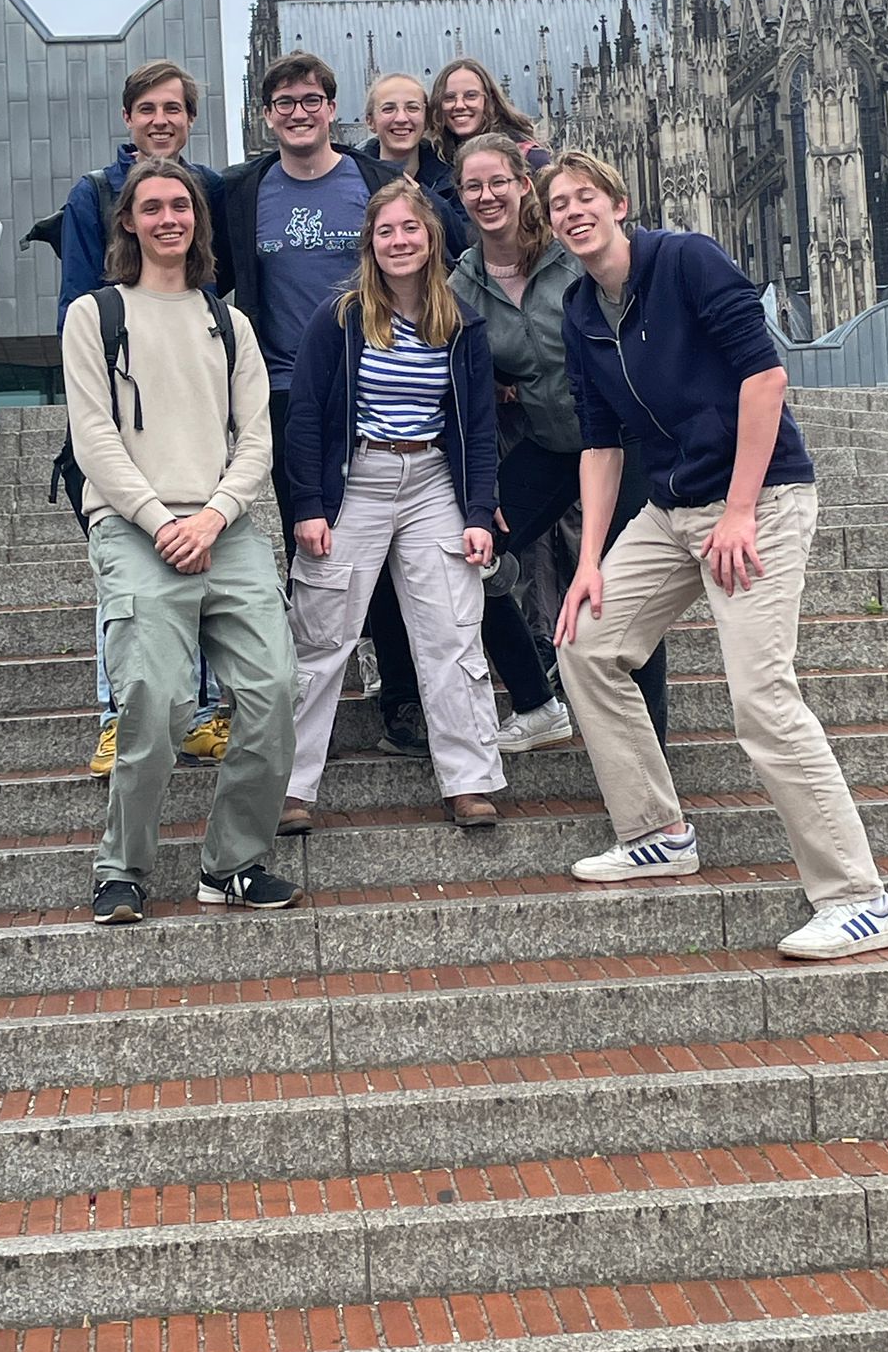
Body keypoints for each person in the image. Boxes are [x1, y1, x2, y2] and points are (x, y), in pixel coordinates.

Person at [545, 149, 888, 963]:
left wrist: (739, 510)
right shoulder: (580, 308)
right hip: (671, 509)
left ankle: (857, 898)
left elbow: (765, 379)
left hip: (760, 499)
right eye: (558, 204)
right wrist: (590, 559)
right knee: (586, 644)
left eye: (585, 196)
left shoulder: (686, 261)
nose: (572, 212)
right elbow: (600, 441)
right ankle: (656, 833)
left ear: (618, 203)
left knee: (762, 699)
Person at [61, 157, 300, 925]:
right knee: (156, 702)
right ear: (129, 222)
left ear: (198, 220)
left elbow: (256, 442)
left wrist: (214, 517)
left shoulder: (230, 325)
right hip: (135, 530)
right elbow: (94, 438)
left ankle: (233, 864)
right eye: (153, 207)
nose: (169, 218)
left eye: (181, 206)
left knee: (273, 691)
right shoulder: (95, 316)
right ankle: (122, 868)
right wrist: (162, 522)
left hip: (224, 528)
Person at [219, 51, 428, 756]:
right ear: (267, 114)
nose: (299, 113)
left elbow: (431, 263)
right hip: (287, 395)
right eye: (285, 103)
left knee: (390, 554)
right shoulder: (244, 192)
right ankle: (314, 704)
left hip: (379, 389)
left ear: (332, 109)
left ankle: (401, 698)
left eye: (312, 100)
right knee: (309, 547)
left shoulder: (376, 182)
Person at [282, 180, 507, 831]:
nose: (399, 240)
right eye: (386, 231)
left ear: (431, 238)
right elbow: (305, 417)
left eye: (411, 228)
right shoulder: (340, 318)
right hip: (357, 480)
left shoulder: (461, 322)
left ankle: (469, 781)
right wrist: (308, 505)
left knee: (451, 632)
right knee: (322, 635)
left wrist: (479, 511)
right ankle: (289, 786)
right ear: (370, 244)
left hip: (431, 479)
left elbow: (479, 427)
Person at [450, 134, 667, 754]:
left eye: (499, 182)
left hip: (621, 444)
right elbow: (466, 373)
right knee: (469, 555)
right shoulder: (463, 282)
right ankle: (536, 701)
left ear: (525, 185)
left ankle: (648, 751)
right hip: (549, 443)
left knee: (621, 588)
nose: (487, 196)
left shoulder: (571, 253)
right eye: (472, 186)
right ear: (460, 197)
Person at [57, 59, 228, 777]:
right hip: (121, 399)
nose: (161, 120)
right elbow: (74, 299)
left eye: (174, 108)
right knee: (126, 580)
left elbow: (222, 286)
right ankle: (117, 719)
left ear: (191, 119)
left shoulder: (212, 188)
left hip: (192, 400)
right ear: (128, 118)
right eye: (148, 109)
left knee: (203, 563)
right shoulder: (94, 193)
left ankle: (200, 713)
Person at [429, 56, 550, 232]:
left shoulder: (530, 158)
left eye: (471, 96)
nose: (459, 105)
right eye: (449, 98)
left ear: (489, 100)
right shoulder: (434, 163)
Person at [361, 73, 468, 260]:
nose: (401, 118)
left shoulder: (454, 182)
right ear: (370, 121)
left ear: (426, 119)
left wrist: (425, 197)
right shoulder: (353, 180)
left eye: (412, 108)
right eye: (388, 109)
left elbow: (466, 245)